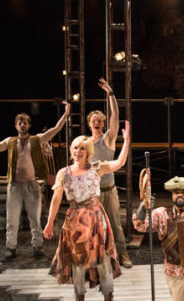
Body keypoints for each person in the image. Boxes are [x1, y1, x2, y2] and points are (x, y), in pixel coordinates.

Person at [0, 101, 71, 259]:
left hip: (32, 184)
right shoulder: (10, 141)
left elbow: (55, 129)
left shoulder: (36, 140)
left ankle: (37, 246)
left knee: (35, 218)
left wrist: (66, 113)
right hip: (14, 185)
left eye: (25, 122)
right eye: (20, 123)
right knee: (12, 219)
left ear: (29, 125)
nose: (22, 125)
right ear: (16, 126)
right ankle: (11, 247)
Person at [43, 121, 131, 301]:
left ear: (88, 151)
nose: (78, 151)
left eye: (82, 148)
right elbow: (56, 199)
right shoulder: (63, 173)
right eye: (75, 148)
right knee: (77, 260)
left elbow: (119, 163)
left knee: (102, 258)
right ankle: (79, 295)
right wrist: (49, 223)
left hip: (95, 216)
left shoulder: (96, 168)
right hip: (75, 219)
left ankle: (108, 295)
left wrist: (127, 141)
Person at [88, 78, 133, 268]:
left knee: (115, 224)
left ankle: (122, 254)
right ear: (89, 124)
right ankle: (96, 257)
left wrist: (110, 93)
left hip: (109, 189)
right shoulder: (85, 143)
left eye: (99, 120)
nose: (97, 122)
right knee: (94, 226)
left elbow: (115, 116)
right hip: (93, 193)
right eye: (94, 121)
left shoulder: (107, 139)